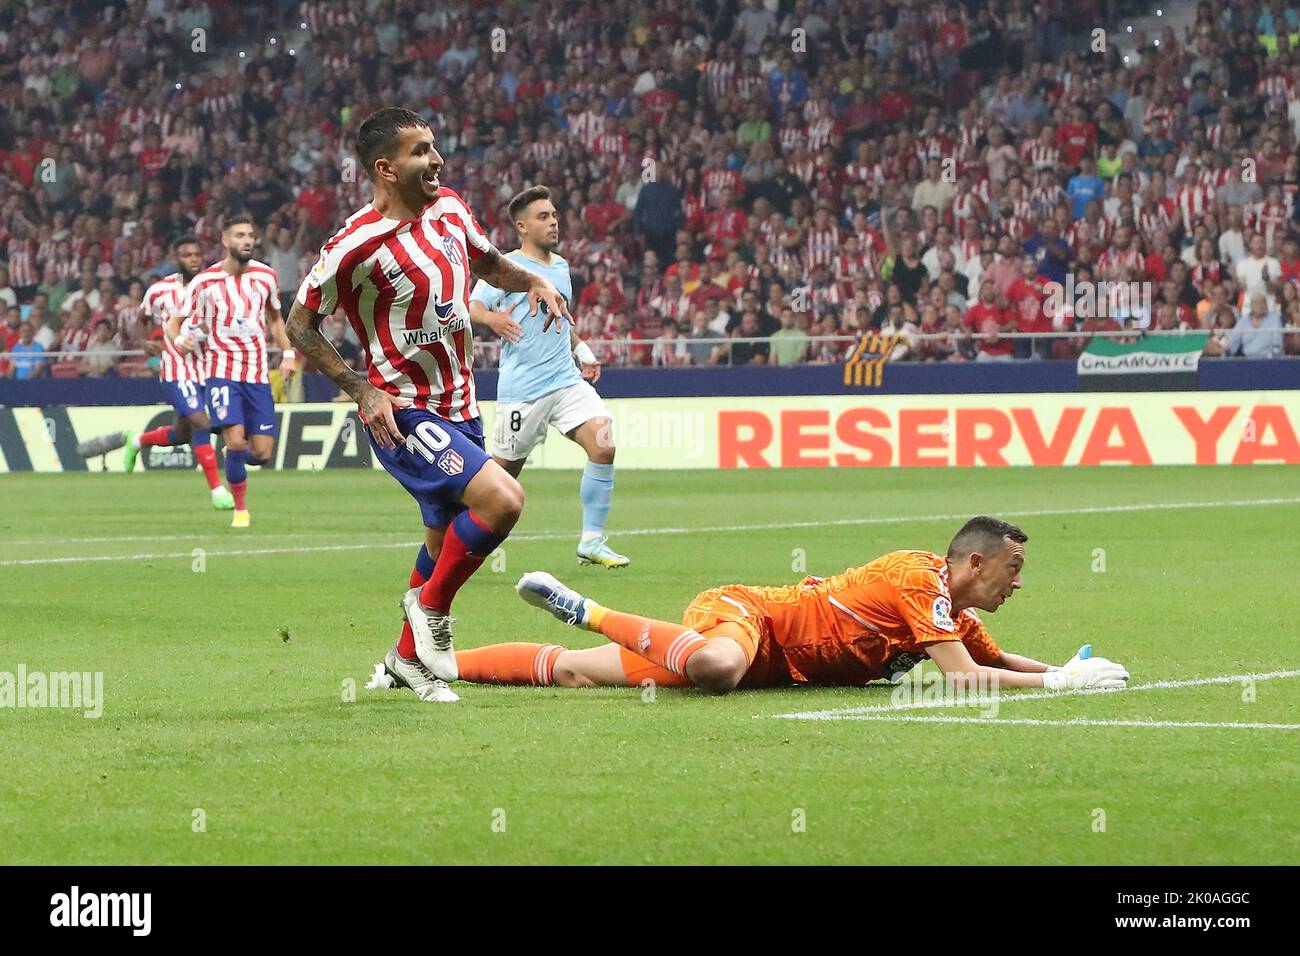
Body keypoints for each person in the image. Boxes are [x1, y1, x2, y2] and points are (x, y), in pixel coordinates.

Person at [284, 107, 571, 703]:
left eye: (435, 147)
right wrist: (363, 389)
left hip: (461, 405)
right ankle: (430, 612)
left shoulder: (450, 209)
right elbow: (301, 326)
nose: (436, 159)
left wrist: (535, 282)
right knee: (503, 500)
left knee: (442, 544)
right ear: (385, 168)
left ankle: (403, 660)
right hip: (404, 412)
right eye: (421, 151)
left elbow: (488, 263)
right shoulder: (354, 245)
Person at [411, 516, 1131, 695]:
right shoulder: (921, 580)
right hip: (753, 616)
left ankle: (424, 663)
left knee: (572, 675)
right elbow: (967, 680)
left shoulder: (952, 616)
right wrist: (1061, 685)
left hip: (778, 666)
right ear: (974, 563)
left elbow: (997, 662)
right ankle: (588, 607)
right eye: (1012, 569)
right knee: (718, 666)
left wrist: (1065, 668)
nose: (1018, 583)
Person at [468, 185, 628, 568]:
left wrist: (582, 350)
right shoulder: (505, 267)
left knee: (603, 443)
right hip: (523, 390)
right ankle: (463, 543)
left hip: (566, 381)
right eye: (543, 217)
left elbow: (561, 319)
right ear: (522, 227)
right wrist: (493, 318)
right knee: (501, 484)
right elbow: (472, 306)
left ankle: (592, 540)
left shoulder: (561, 267)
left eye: (554, 215)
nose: (553, 222)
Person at [168, 216, 295, 527]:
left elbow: (276, 319)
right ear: (225, 241)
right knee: (236, 441)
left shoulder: (266, 277)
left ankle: (232, 459)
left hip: (257, 373)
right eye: (239, 235)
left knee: (262, 453)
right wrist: (180, 340)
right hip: (222, 372)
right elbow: (176, 323)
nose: (247, 240)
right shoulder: (204, 282)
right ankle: (241, 509)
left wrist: (289, 354)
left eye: (251, 235)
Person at [122, 236, 232, 509]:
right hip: (176, 370)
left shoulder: (214, 287)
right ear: (176, 258)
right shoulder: (159, 290)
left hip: (207, 369)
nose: (193, 259)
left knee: (182, 433)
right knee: (202, 422)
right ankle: (218, 490)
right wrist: (144, 341)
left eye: (197, 254)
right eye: (187, 255)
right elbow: (140, 321)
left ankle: (136, 441)